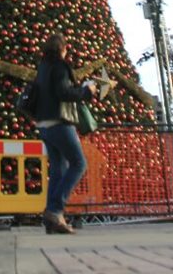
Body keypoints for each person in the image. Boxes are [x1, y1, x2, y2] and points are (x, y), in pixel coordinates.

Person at [33, 32, 98, 234]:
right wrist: (87, 91)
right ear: (62, 49)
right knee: (79, 163)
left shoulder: (42, 68)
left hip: (43, 124)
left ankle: (54, 221)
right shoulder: (59, 68)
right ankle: (55, 209)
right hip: (59, 122)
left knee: (58, 169)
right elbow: (63, 93)